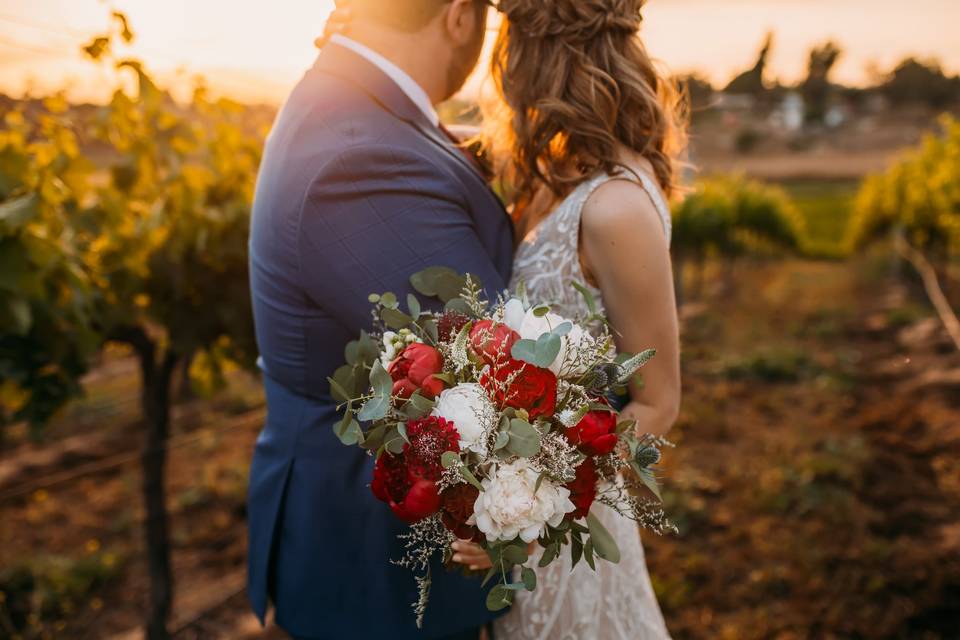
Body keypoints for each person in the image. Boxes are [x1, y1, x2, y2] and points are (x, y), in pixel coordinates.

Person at [245, 1, 512, 638]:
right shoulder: (358, 154)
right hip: (376, 578)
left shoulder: (360, 112)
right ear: (457, 16)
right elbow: (497, 359)